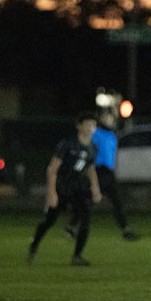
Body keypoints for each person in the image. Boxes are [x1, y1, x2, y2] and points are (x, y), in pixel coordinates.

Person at [28, 112, 103, 266]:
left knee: (86, 217)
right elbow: (52, 169)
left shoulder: (93, 147)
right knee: (50, 220)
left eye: (93, 126)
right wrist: (51, 193)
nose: (91, 128)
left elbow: (90, 169)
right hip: (63, 186)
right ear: (79, 126)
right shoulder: (67, 144)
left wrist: (95, 189)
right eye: (88, 125)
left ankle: (77, 256)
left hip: (79, 187)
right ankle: (34, 245)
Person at [66, 110, 138, 241]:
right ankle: (71, 226)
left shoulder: (113, 135)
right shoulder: (95, 132)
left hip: (108, 172)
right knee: (88, 202)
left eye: (110, 117)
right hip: (97, 171)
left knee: (117, 202)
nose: (108, 120)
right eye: (106, 117)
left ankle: (126, 230)